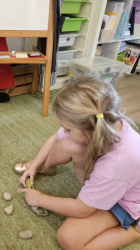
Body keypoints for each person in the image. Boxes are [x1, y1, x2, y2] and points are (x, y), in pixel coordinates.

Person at [14, 76, 140, 250]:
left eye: (68, 128)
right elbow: (54, 139)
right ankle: (46, 168)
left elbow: (81, 209)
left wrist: (40, 199)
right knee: (69, 144)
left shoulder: (116, 164)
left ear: (91, 129)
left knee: (69, 238)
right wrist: (35, 165)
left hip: (124, 201)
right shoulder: (101, 121)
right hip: (112, 178)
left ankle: (135, 229)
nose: (63, 131)